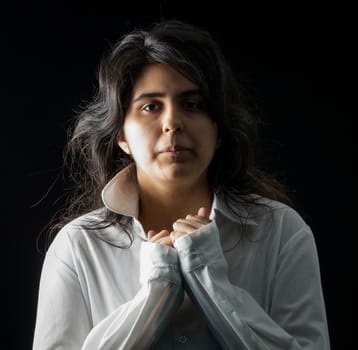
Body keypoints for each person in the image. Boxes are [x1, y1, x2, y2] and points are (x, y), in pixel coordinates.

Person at [32, 19, 331, 349]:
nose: (172, 122)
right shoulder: (78, 247)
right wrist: (155, 292)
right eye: (150, 107)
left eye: (192, 105)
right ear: (121, 135)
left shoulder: (282, 233)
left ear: (218, 130)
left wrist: (208, 274)